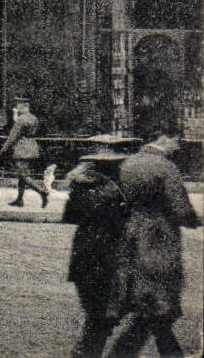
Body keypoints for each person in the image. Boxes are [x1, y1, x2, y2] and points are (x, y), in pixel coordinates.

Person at [108, 128, 200, 358]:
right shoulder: (166, 168)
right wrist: (192, 219)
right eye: (174, 142)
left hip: (130, 234)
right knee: (158, 300)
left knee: (148, 300)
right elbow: (179, 208)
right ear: (162, 139)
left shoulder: (128, 164)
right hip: (158, 237)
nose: (176, 148)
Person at [62, 135, 137, 358]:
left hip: (83, 252)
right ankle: (84, 353)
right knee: (106, 313)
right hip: (109, 254)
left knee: (96, 312)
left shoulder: (79, 185)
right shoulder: (118, 189)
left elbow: (70, 216)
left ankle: (85, 351)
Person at [0, 97, 48, 208]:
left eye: (18, 106)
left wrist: (4, 148)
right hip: (32, 147)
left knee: (24, 175)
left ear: (23, 106)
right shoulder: (34, 118)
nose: (17, 108)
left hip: (22, 149)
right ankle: (19, 199)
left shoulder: (21, 120)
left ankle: (42, 191)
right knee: (22, 176)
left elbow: (13, 136)